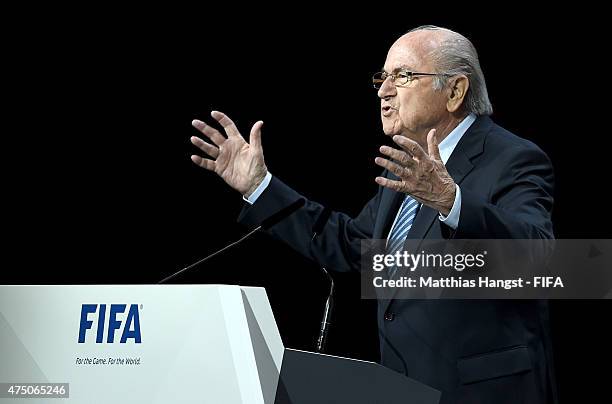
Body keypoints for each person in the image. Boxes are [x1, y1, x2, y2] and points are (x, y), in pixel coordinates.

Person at [189, 25, 556, 404]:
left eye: (404, 76)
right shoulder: (407, 169)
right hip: (404, 389)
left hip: (484, 393)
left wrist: (452, 202)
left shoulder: (511, 158)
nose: (383, 91)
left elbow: (540, 258)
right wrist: (259, 186)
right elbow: (353, 247)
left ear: (455, 91)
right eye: (382, 77)